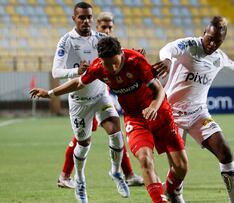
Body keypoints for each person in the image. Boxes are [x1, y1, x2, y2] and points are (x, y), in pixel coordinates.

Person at [30, 36, 188, 203]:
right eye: (107, 64)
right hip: (135, 119)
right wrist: (49, 93)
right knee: (145, 159)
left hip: (159, 112)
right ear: (100, 59)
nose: (112, 68)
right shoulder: (98, 67)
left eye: (115, 62)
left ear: (121, 53)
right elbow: (78, 83)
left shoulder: (136, 61)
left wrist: (153, 108)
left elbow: (159, 91)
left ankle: (170, 190)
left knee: (181, 167)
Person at [152, 16, 234, 203]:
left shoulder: (219, 57)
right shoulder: (189, 45)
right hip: (171, 114)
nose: (213, 44)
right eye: (210, 38)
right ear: (204, 33)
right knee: (179, 167)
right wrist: (166, 60)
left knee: (225, 152)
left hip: (199, 114)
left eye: (218, 41)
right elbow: (167, 48)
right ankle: (175, 192)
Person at [50, 2, 129, 203]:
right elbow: (56, 72)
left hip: (101, 95)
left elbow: (120, 57)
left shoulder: (101, 39)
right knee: (84, 143)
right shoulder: (66, 41)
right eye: (81, 18)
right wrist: (76, 72)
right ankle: (80, 179)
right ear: (74, 18)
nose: (86, 21)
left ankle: (115, 172)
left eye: (89, 17)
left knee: (116, 133)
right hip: (79, 101)